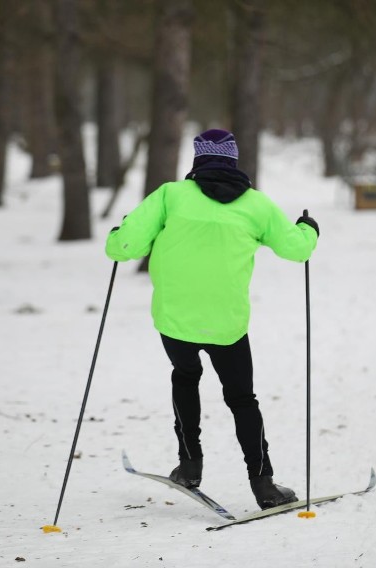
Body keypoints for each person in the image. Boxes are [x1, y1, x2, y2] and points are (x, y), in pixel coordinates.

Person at [105, 128, 319, 510]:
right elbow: (297, 250)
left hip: (176, 320)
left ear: (197, 160)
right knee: (242, 399)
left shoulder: (171, 195)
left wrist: (121, 231)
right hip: (228, 324)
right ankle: (264, 485)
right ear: (234, 161)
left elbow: (122, 249)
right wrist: (309, 229)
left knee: (185, 378)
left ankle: (189, 465)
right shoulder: (257, 205)